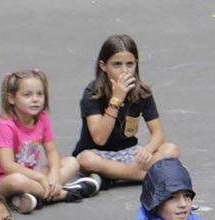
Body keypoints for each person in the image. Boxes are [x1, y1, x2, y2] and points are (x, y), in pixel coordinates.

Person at [0, 69, 100, 211]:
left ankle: (34, 196)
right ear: (11, 98)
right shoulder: (5, 126)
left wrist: (54, 175)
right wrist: (40, 178)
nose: (35, 99)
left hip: (31, 177)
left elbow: (52, 152)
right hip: (2, 182)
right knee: (17, 180)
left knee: (72, 162)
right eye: (27, 95)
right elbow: (8, 166)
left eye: (40, 94)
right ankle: (63, 193)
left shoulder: (42, 119)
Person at [74, 33, 180, 185]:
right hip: (97, 153)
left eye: (130, 64)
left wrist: (148, 150)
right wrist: (116, 99)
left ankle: (115, 176)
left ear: (136, 64)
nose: (124, 71)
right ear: (103, 66)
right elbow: (99, 138)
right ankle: (142, 175)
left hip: (128, 152)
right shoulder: (93, 93)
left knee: (171, 149)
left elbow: (158, 133)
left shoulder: (142, 92)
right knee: (86, 160)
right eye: (117, 64)